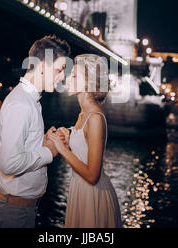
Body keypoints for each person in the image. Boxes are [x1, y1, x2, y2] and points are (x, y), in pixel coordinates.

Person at [0, 35, 70, 228]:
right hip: (14, 212)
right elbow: (9, 164)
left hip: (18, 209)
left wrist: (41, 141)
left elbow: (20, 149)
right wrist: (49, 150)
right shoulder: (21, 104)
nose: (63, 77)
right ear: (42, 66)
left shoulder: (29, 100)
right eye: (59, 70)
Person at [48, 54, 123, 228]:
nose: (67, 78)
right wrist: (68, 141)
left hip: (94, 195)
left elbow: (92, 175)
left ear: (89, 81)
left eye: (74, 76)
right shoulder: (83, 114)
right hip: (79, 190)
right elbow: (83, 155)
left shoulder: (95, 117)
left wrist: (63, 150)